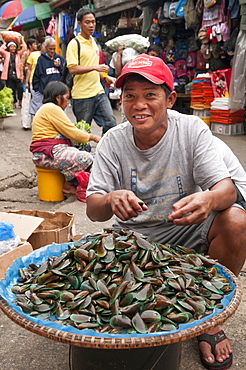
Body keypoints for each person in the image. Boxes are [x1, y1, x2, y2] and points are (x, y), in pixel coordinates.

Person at [86, 54, 246, 370]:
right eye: (129, 95)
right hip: (132, 239)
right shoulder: (112, 142)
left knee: (237, 220)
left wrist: (208, 201)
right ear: (121, 100)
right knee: (113, 308)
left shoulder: (191, 130)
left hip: (184, 228)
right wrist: (111, 199)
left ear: (170, 98)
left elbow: (227, 190)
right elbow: (93, 210)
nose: (138, 104)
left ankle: (210, 318)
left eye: (150, 95)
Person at [30, 81, 101, 197]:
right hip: (47, 154)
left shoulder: (49, 109)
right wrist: (92, 137)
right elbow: (71, 132)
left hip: (52, 152)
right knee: (86, 158)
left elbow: (68, 130)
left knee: (96, 157)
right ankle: (70, 185)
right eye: (67, 98)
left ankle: (73, 184)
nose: (67, 102)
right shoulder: (51, 108)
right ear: (58, 97)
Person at [66, 8, 116, 135]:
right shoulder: (74, 44)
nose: (91, 25)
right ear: (79, 23)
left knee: (111, 123)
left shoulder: (93, 41)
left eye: (93, 22)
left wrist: (105, 77)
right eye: (87, 22)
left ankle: (105, 151)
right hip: (82, 96)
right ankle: (83, 154)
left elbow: (93, 64)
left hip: (98, 91)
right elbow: (72, 68)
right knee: (83, 131)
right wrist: (95, 68)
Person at [30, 36, 65, 116]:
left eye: (54, 49)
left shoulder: (59, 58)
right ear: (45, 48)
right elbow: (37, 75)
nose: (52, 51)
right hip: (43, 91)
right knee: (40, 113)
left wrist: (59, 66)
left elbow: (65, 74)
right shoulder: (41, 59)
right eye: (50, 49)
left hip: (57, 92)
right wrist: (37, 89)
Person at [0, 36, 27, 108]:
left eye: (14, 47)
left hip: (18, 74)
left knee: (20, 89)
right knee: (12, 89)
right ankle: (14, 102)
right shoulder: (6, 54)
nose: (13, 48)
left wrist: (22, 40)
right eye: (11, 47)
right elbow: (1, 49)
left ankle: (20, 101)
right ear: (8, 48)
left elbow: (24, 48)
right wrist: (4, 43)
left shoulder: (18, 54)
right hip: (9, 75)